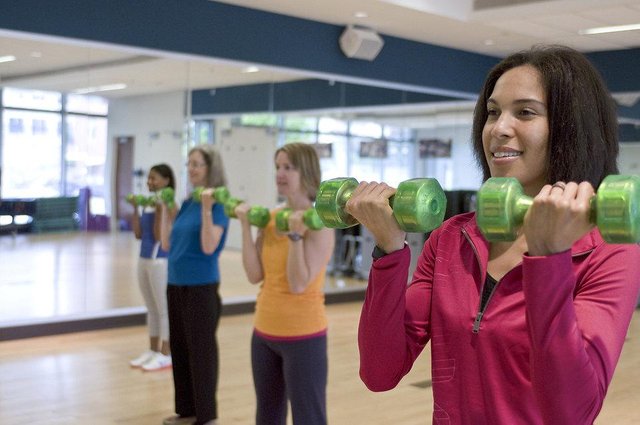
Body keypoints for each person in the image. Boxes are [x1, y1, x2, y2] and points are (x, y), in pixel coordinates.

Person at [348, 45, 640, 424]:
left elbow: (570, 412)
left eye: (525, 112)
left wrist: (549, 257)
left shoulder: (608, 253)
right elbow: (379, 372)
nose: (498, 128)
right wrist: (389, 250)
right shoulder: (452, 238)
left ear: (571, 127)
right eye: (492, 112)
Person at [234, 142, 335, 425]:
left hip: (304, 336)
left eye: (288, 167)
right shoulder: (271, 218)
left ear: (306, 172)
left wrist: (295, 236)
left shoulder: (320, 224)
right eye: (278, 166)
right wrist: (245, 227)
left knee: (308, 418)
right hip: (264, 333)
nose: (280, 173)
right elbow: (254, 275)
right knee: (267, 416)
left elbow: (298, 284)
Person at [159, 145, 230, 425]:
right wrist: (167, 211)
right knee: (179, 347)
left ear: (211, 168)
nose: (191, 169)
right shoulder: (188, 202)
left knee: (201, 353)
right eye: (189, 164)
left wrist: (208, 209)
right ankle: (186, 410)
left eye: (197, 164)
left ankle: (206, 417)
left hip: (201, 287)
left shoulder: (218, 204)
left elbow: (208, 245)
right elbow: (167, 244)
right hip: (175, 284)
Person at [127, 163, 175, 371]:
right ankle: (153, 349)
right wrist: (136, 209)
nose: (149, 182)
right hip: (143, 259)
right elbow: (138, 234)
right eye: (148, 178)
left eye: (154, 178)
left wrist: (160, 210)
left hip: (160, 261)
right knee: (151, 308)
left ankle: (166, 353)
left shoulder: (169, 205)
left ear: (166, 181)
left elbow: (158, 236)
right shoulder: (148, 203)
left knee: (163, 308)